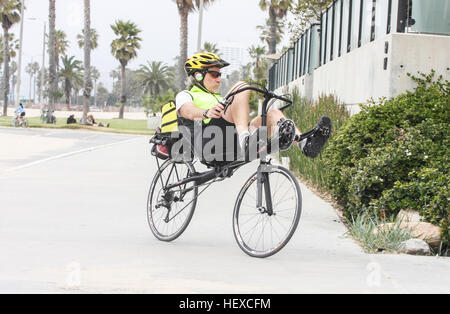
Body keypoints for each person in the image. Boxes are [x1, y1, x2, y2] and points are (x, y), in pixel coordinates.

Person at [175, 52, 331, 162]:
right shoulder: (186, 95)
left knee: (273, 114)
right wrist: (206, 112)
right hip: (210, 142)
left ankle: (305, 144)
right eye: (214, 74)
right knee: (241, 86)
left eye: (220, 75)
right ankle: (246, 140)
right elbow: (187, 111)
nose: (219, 79)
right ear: (198, 75)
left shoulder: (219, 98)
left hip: (231, 140)